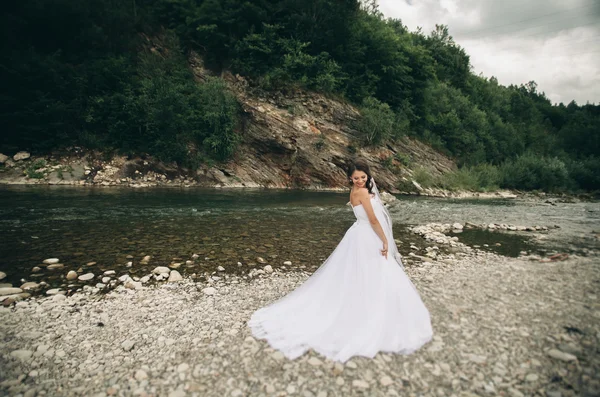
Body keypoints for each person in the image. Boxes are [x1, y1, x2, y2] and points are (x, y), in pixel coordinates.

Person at [248, 160, 433, 362]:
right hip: (368, 235)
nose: (361, 180)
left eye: (363, 177)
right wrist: (385, 240)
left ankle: (361, 306)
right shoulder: (362, 193)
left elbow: (365, 212)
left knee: (360, 271)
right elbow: (372, 220)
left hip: (358, 234)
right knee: (376, 270)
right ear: (350, 178)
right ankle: (371, 312)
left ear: (368, 176)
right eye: (356, 178)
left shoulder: (355, 191)